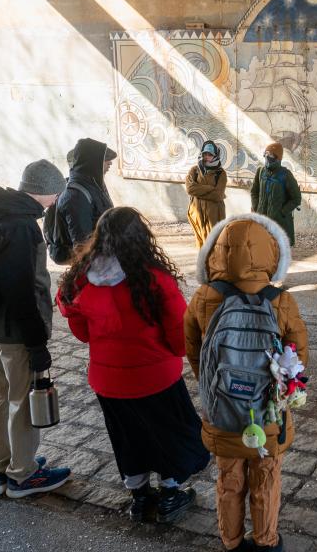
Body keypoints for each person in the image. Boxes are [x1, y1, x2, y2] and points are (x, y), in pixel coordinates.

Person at [57, 207, 209, 523]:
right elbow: (180, 338)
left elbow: (80, 328)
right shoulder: (155, 279)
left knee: (127, 437)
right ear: (141, 238)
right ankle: (170, 494)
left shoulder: (81, 279)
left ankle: (140, 498)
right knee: (169, 435)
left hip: (109, 383)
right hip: (156, 379)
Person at [185, 213, 309, 552]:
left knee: (229, 479)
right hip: (267, 415)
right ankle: (267, 541)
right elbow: (298, 356)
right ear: (271, 252)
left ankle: (232, 542)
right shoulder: (280, 301)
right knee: (266, 477)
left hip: (222, 411)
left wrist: (214, 386)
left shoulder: (203, 297)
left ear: (217, 251)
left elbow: (193, 348)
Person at [0, 160, 72, 498]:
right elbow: (21, 289)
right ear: (48, 192)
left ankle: (0, 469)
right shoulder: (22, 226)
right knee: (20, 399)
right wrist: (36, 343)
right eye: (57, 193)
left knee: (1, 396)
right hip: (15, 332)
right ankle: (23, 474)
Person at [58, 138, 116, 257]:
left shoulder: (94, 183)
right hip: (94, 259)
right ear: (92, 162)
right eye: (105, 159)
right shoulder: (76, 195)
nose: (110, 162)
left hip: (102, 252)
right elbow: (82, 245)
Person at [251, 142, 302, 246]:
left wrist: (282, 212)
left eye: (270, 155)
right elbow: (254, 192)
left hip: (279, 223)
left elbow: (296, 198)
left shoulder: (285, 175)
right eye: (266, 154)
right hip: (261, 220)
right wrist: (256, 208)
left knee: (276, 253)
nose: (267, 157)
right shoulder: (260, 172)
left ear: (278, 158)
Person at [186, 140, 227, 247]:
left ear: (215, 155)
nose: (207, 157)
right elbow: (190, 189)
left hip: (214, 214)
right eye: (205, 154)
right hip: (197, 213)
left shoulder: (220, 173)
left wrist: (198, 191)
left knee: (214, 244)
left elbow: (218, 195)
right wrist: (210, 188)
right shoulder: (194, 170)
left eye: (210, 154)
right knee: (200, 243)